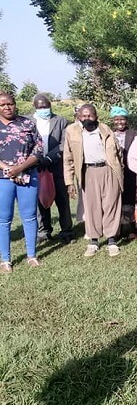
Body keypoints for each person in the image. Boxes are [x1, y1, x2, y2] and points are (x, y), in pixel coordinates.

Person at [64, 104, 123, 257]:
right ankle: (94, 241)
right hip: (88, 172)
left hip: (108, 170)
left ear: (96, 116)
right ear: (78, 117)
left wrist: (119, 170)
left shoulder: (105, 130)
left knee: (111, 204)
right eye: (83, 116)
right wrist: (69, 182)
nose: (87, 118)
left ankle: (111, 240)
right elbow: (68, 158)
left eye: (90, 115)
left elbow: (118, 152)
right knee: (92, 207)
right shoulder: (72, 132)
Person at [0, 92, 43, 272]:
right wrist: (8, 169)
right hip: (3, 178)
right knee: (3, 220)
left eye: (10, 104)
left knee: (30, 216)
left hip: (28, 177)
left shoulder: (27, 123)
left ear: (15, 104)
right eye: (3, 105)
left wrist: (20, 168)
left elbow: (39, 148)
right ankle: (5, 260)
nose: (7, 107)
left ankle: (31, 255)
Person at [31, 94, 74, 244]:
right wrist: (36, 160)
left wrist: (49, 158)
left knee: (62, 201)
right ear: (35, 107)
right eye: (40, 107)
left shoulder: (60, 121)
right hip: (36, 168)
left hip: (57, 167)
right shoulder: (28, 122)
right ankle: (44, 231)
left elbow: (64, 143)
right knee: (41, 200)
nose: (44, 109)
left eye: (46, 106)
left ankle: (66, 231)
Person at [110, 106, 137, 239]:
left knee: (129, 201)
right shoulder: (109, 134)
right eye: (117, 119)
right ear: (113, 120)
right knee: (115, 201)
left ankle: (132, 229)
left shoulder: (134, 134)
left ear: (126, 120)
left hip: (130, 173)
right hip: (114, 173)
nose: (119, 122)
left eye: (122, 119)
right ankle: (118, 229)